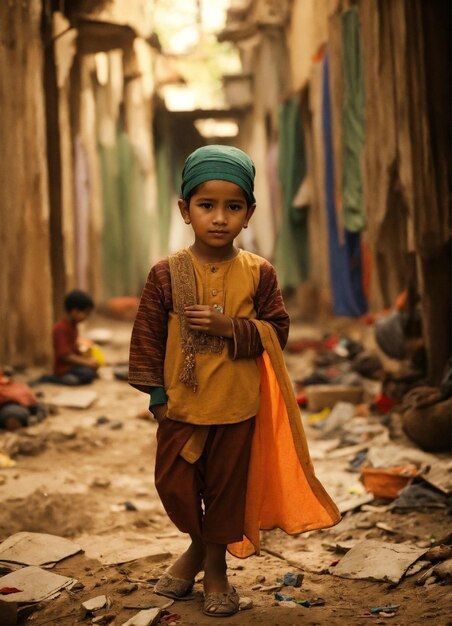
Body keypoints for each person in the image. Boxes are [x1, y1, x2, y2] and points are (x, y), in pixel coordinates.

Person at [129, 145, 340, 618]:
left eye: (233, 206)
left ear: (249, 214)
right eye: (206, 206)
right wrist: (157, 398)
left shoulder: (259, 272)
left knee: (225, 494)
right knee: (175, 488)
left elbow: (278, 331)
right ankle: (195, 548)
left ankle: (215, 568)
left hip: (237, 407)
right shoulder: (165, 274)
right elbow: (146, 336)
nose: (219, 218)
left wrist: (230, 328)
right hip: (180, 408)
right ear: (185, 211)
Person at [48, 289, 100, 385]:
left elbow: (74, 349)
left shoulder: (73, 326)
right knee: (83, 376)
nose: (86, 317)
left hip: (73, 367)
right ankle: (51, 379)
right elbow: (65, 356)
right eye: (85, 313)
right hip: (63, 370)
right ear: (74, 311)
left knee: (90, 372)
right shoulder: (60, 328)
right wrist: (86, 362)